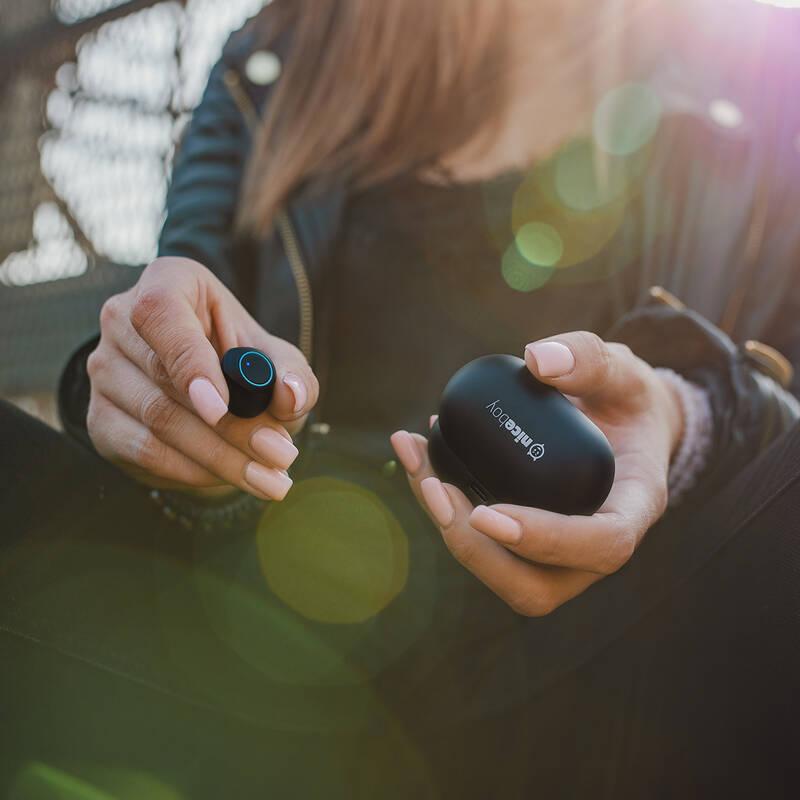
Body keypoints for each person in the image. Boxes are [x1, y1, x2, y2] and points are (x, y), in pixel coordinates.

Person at [3, 0, 800, 796]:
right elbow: (187, 307)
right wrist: (139, 393)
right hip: (246, 618)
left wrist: (682, 418)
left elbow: (777, 421)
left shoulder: (756, 82)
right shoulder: (280, 51)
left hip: (600, 672)